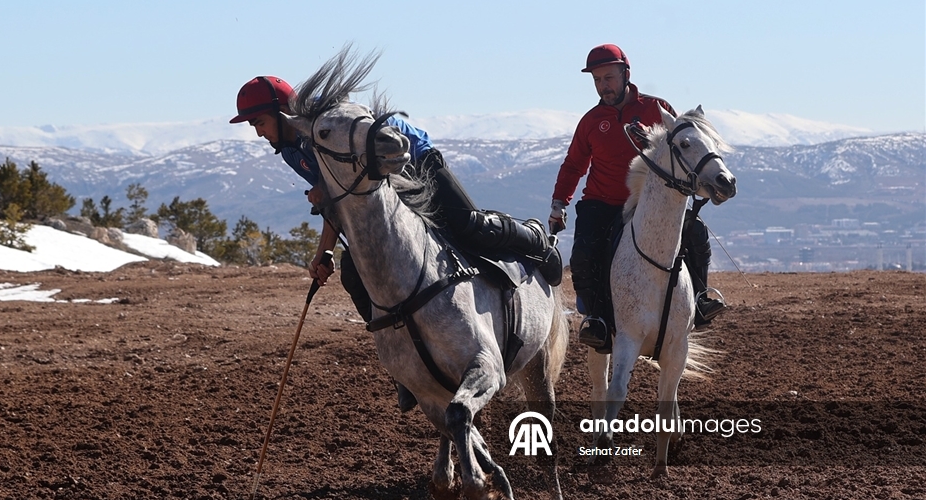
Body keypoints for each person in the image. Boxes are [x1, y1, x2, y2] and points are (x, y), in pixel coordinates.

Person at [231, 75, 563, 409]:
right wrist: (326, 253)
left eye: (258, 122)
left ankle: (535, 241)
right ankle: (404, 369)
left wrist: (327, 197)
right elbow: (339, 202)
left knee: (467, 225)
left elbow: (347, 184)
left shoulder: (325, 122)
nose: (258, 132)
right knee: (354, 272)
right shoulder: (291, 151)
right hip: (388, 186)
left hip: (414, 158)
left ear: (281, 111)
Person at [548, 44, 725, 354]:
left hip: (652, 201)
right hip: (602, 203)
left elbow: (679, 149)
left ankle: (700, 298)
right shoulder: (590, 121)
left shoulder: (657, 109)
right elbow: (574, 165)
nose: (604, 86)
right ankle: (596, 319)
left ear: (625, 74)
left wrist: (651, 139)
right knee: (583, 254)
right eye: (597, 80)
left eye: (609, 78)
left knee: (696, 233)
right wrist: (559, 203)